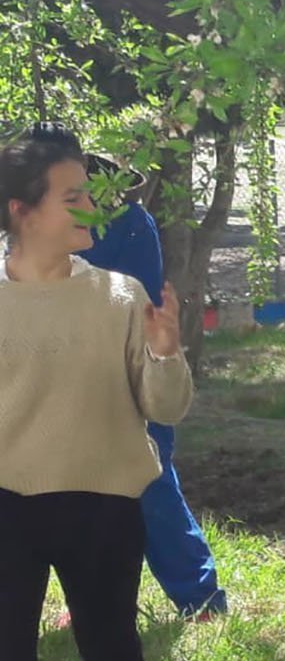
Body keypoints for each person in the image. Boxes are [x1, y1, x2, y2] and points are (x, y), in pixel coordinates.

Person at [0, 126, 192, 661]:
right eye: (73, 196)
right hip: (6, 507)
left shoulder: (120, 296)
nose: (90, 209)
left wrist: (167, 354)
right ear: (23, 210)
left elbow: (164, 408)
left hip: (105, 504)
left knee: (112, 646)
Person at [80, 167, 229, 621]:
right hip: (65, 375)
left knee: (151, 484)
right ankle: (95, 601)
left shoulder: (127, 221)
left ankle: (199, 597)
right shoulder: (31, 224)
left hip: (128, 373)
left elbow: (136, 305)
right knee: (79, 496)